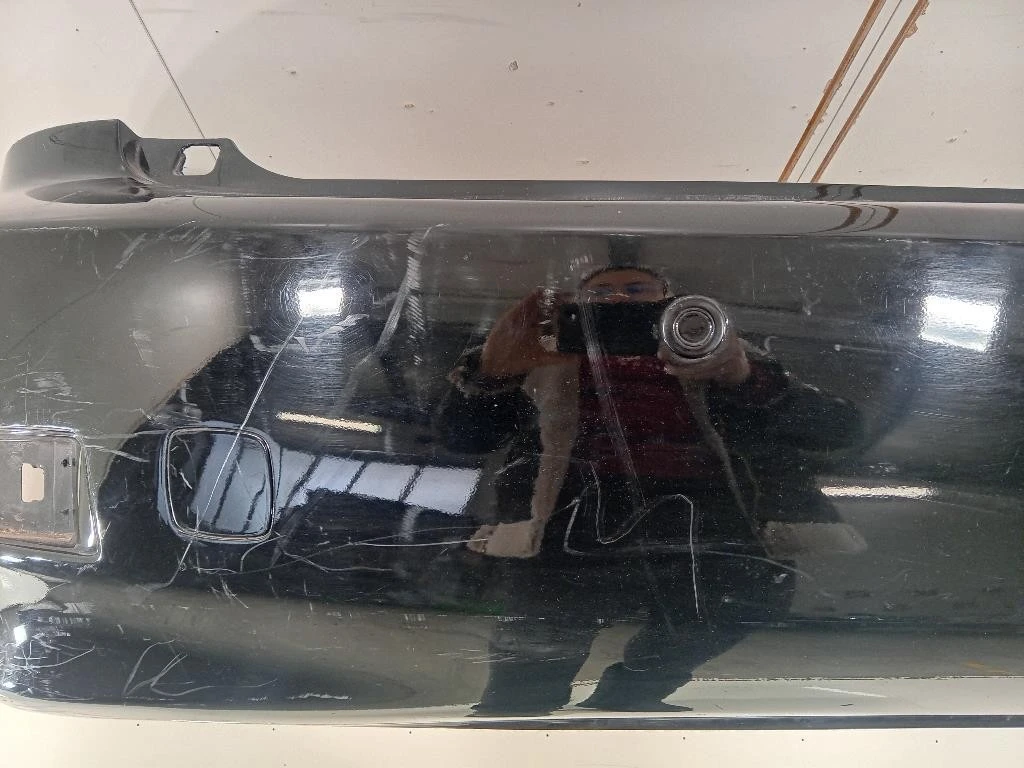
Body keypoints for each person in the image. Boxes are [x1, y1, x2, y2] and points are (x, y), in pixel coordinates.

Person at [441, 261, 863, 715]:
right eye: (600, 295)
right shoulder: (537, 353)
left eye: (637, 290)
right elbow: (462, 439)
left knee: (736, 606)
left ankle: (631, 693)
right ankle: (518, 713)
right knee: (536, 645)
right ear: (574, 307)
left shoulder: (721, 349)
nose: (619, 299)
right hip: (570, 513)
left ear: (672, 302)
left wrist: (743, 377)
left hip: (705, 512)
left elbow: (839, 429)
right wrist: (492, 371)